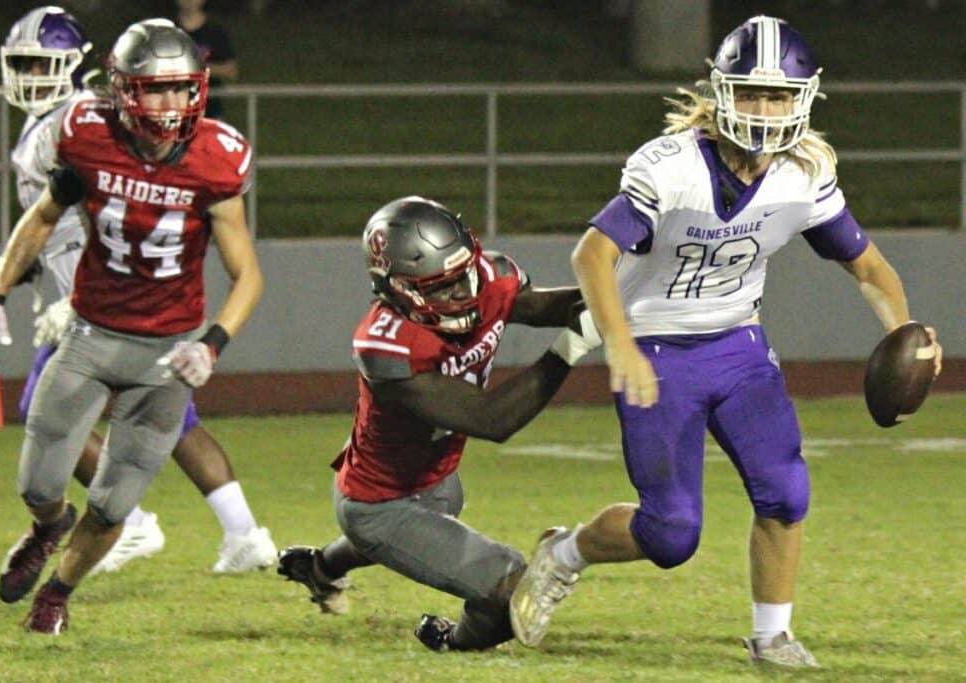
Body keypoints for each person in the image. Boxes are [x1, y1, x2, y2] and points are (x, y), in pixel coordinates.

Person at [508, 15, 943, 669]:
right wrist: (620, 343)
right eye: (749, 93)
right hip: (656, 349)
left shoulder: (806, 174)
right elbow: (592, 255)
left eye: (776, 96)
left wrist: (904, 335)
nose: (763, 110)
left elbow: (870, 269)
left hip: (739, 348)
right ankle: (564, 552)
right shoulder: (670, 164)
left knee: (786, 493)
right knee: (672, 532)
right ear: (721, 92)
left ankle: (772, 634)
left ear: (802, 99)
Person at [0, 18, 266, 634]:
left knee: (115, 501)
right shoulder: (88, 136)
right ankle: (48, 527)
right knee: (40, 481)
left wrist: (212, 344)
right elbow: (44, 219)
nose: (170, 103)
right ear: (124, 90)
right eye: (155, 89)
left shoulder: (217, 157)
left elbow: (248, 275)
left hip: (167, 353)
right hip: (90, 336)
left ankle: (58, 595)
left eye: (182, 88)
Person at [277, 196, 601, 652]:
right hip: (376, 504)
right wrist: (573, 346)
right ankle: (452, 641)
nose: (462, 294)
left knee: (423, 525)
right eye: (441, 287)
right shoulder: (387, 347)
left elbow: (539, 304)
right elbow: (492, 419)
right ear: (399, 290)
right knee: (513, 591)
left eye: (463, 276)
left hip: (437, 480)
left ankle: (321, 567)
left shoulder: (488, 277)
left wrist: (615, 295)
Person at [175, 0, 237, 120]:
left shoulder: (215, 31)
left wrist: (198, 68)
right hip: (175, 113)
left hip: (210, 112)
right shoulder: (167, 30)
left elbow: (231, 72)